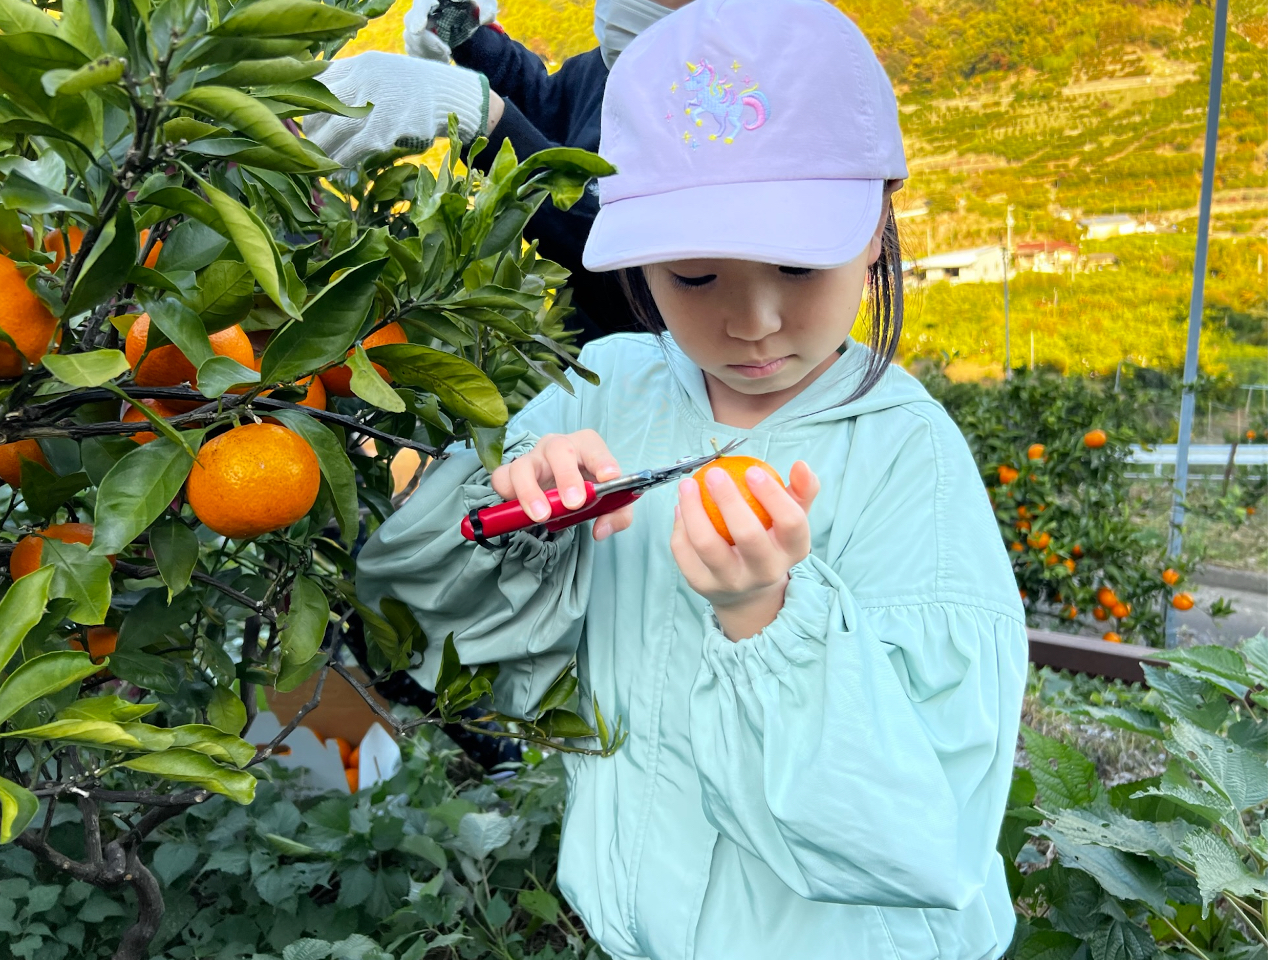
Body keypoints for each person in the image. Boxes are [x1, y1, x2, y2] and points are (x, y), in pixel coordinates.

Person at [356, 1, 1028, 957]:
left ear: (878, 224)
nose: (752, 322)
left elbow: (920, 837)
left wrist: (767, 619)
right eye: (694, 278)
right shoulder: (609, 389)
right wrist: (515, 508)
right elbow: (426, 623)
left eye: (798, 264)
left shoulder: (907, 460)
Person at [307, 0, 687, 343]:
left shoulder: (716, 108)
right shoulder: (631, 48)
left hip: (655, 381)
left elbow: (646, 276)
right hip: (586, 364)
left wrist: (481, 114)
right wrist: (470, 38)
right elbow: (556, 109)